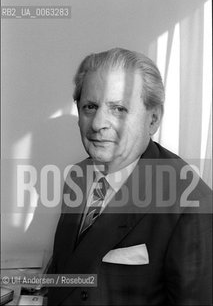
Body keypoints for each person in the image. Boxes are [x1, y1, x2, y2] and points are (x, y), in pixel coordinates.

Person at [47, 48, 212, 305]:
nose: (98, 123)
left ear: (153, 119)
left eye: (119, 109)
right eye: (90, 106)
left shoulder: (191, 204)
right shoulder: (78, 175)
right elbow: (67, 272)